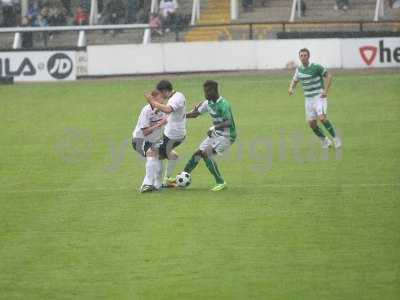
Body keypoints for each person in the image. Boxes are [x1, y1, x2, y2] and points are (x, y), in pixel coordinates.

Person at [183, 80, 237, 192]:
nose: (205, 94)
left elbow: (228, 122)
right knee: (198, 153)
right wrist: (180, 116)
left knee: (206, 153)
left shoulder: (223, 105)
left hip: (227, 136)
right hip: (217, 134)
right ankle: (183, 176)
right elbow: (195, 114)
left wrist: (214, 128)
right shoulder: (208, 103)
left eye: (207, 91)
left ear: (214, 91)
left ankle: (221, 182)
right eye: (204, 91)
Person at [288, 48, 341, 149]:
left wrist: (326, 91)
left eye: (305, 55)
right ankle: (325, 141)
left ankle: (335, 138)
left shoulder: (316, 67)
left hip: (319, 96)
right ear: (299, 57)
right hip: (308, 99)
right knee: (312, 124)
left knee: (322, 118)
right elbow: (295, 80)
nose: (303, 57)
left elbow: (329, 76)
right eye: (301, 56)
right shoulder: (299, 70)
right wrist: (291, 89)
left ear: (308, 56)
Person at [145, 80, 186, 187]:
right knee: (172, 155)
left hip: (173, 135)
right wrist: (158, 110)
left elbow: (168, 109)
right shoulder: (177, 96)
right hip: (175, 134)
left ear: (164, 91)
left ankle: (156, 184)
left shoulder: (176, 98)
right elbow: (171, 111)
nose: (160, 96)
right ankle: (166, 179)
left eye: (160, 93)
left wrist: (153, 102)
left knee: (154, 153)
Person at [132, 90, 167, 193]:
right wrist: (160, 124)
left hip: (154, 142)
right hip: (139, 140)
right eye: (161, 98)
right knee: (152, 154)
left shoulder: (163, 110)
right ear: (154, 99)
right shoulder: (146, 110)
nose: (163, 100)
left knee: (166, 155)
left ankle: (157, 184)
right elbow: (145, 132)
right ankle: (146, 184)